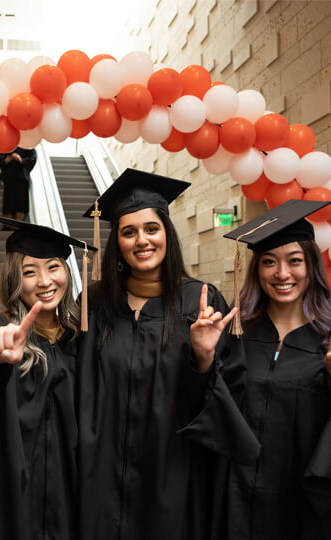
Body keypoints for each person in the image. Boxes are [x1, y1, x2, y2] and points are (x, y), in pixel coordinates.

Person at [77, 169, 260, 540]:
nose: (141, 240)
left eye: (151, 229)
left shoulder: (200, 302)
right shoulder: (94, 304)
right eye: (129, 232)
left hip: (173, 473)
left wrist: (204, 360)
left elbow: (231, 396)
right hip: (101, 477)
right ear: (117, 243)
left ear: (167, 235)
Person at [0, 215, 95, 540]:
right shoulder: (3, 330)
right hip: (13, 492)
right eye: (29, 272)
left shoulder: (81, 339)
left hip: (71, 493)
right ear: (14, 278)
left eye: (53, 267)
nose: (44, 281)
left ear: (67, 271)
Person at [195, 199, 331, 540]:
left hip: (302, 505)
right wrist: (203, 360)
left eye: (294, 261)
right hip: (233, 501)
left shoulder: (327, 344)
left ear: (311, 265)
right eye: (269, 262)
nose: (282, 274)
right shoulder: (235, 335)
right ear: (256, 269)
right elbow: (208, 415)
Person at [0, 147, 37, 221]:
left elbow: (32, 159)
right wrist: (6, 160)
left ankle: (20, 219)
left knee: (21, 198)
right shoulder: (8, 145)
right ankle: (8, 220)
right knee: (8, 199)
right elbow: (0, 158)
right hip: (9, 177)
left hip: (21, 177)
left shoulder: (28, 146)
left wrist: (21, 160)